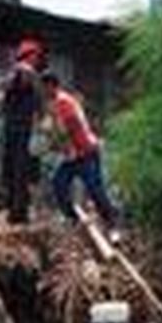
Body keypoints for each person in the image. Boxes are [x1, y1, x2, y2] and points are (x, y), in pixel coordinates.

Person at [41, 71, 120, 236]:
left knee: (95, 189)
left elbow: (64, 130)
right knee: (58, 184)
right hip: (72, 156)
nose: (43, 91)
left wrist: (51, 140)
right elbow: (53, 130)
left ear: (51, 85)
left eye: (44, 87)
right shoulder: (55, 103)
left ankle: (112, 223)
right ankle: (72, 218)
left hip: (86, 152)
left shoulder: (64, 102)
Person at [0, 39, 45, 224]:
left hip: (20, 129)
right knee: (18, 171)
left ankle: (17, 211)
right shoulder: (24, 72)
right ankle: (17, 212)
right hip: (19, 129)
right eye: (34, 56)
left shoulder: (28, 75)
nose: (36, 59)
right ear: (28, 56)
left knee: (17, 171)